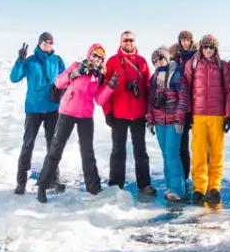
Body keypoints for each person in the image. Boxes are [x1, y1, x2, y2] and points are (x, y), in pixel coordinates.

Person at [36, 44, 119, 202]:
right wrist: (75, 73)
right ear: (89, 55)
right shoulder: (77, 66)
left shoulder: (99, 76)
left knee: (88, 152)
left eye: (100, 57)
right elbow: (59, 82)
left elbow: (100, 100)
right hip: (67, 112)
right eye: (95, 55)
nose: (97, 59)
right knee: (56, 149)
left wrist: (110, 87)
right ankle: (42, 186)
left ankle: (94, 188)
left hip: (86, 116)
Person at [10, 32, 66, 194]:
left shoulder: (57, 60)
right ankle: (21, 182)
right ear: (39, 43)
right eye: (45, 43)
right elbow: (14, 78)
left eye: (50, 43)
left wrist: (63, 91)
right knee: (28, 144)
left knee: (53, 145)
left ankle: (53, 179)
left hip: (52, 109)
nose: (48, 45)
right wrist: (20, 61)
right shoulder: (30, 61)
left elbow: (65, 80)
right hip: (34, 109)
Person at [103, 31, 156, 195]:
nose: (128, 42)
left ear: (135, 42)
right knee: (118, 150)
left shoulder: (142, 62)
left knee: (141, 150)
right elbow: (105, 89)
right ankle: (115, 185)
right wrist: (107, 112)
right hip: (118, 114)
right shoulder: (112, 61)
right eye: (125, 40)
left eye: (131, 40)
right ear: (120, 42)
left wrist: (149, 112)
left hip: (139, 113)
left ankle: (144, 184)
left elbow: (148, 88)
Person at [184, 34, 230, 204]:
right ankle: (199, 188)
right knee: (198, 152)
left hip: (217, 115)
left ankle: (214, 187)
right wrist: (188, 112)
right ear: (200, 48)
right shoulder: (193, 64)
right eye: (205, 47)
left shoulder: (223, 66)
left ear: (216, 49)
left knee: (216, 153)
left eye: (211, 47)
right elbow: (187, 89)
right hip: (198, 115)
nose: (208, 50)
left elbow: (229, 91)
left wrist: (228, 115)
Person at [146, 47, 189, 201]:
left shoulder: (176, 75)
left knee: (172, 153)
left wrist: (179, 119)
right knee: (165, 155)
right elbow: (150, 101)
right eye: (155, 60)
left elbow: (183, 98)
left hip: (173, 122)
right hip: (159, 122)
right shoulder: (154, 78)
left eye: (160, 58)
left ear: (167, 58)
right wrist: (150, 120)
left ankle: (178, 189)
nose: (158, 62)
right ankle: (170, 186)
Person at [169, 31, 198, 182]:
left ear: (192, 41)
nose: (185, 43)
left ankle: (202, 179)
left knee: (200, 146)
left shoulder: (198, 57)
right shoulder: (174, 59)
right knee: (182, 145)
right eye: (183, 40)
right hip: (181, 106)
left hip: (197, 106)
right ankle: (184, 178)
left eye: (188, 40)